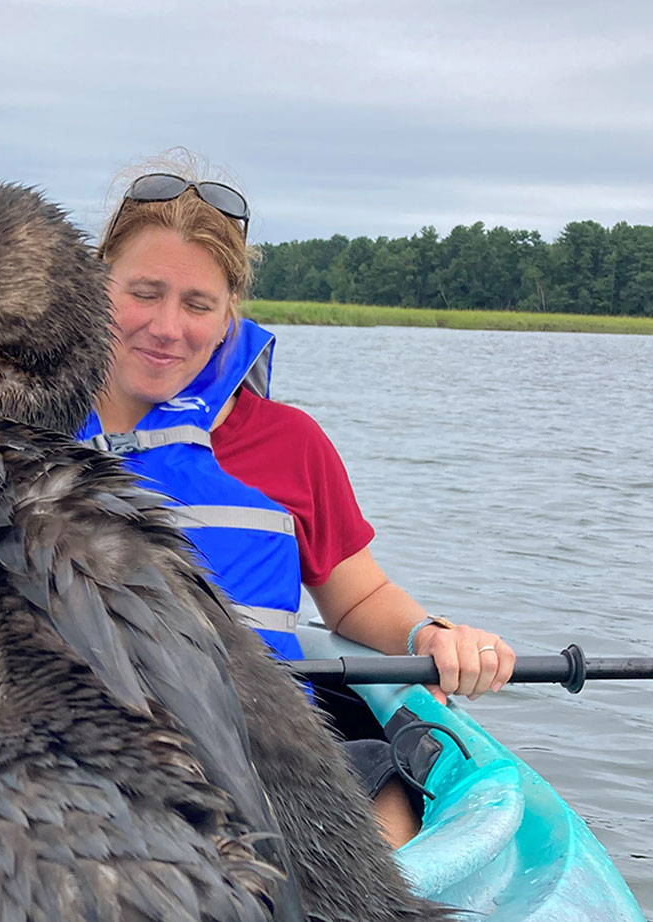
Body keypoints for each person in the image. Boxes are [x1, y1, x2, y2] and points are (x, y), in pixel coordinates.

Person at [78, 153, 518, 848]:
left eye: (198, 304)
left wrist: (433, 636)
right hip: (75, 757)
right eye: (145, 292)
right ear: (96, 287)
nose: (168, 327)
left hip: (266, 759)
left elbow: (356, 600)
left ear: (229, 318)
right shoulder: (16, 428)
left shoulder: (290, 443)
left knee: (383, 783)